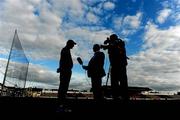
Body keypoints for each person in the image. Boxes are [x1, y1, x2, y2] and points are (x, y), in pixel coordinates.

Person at [101, 34, 129, 101]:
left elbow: (113, 45)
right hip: (114, 65)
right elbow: (109, 46)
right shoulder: (113, 44)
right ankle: (115, 96)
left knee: (122, 81)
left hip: (120, 65)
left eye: (111, 39)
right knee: (114, 81)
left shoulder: (119, 42)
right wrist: (106, 44)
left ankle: (124, 96)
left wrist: (107, 44)